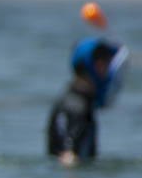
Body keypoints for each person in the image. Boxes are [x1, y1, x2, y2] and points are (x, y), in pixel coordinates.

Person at [47, 36, 126, 166]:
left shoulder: (78, 101)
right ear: (98, 66)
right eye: (106, 64)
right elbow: (67, 157)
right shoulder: (76, 106)